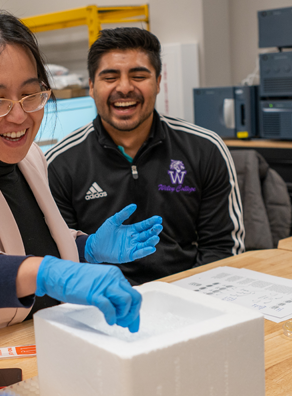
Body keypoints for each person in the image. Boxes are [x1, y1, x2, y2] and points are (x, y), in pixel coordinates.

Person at [0, 9, 163, 351]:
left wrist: (87, 249)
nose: (20, 115)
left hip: (44, 348)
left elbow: (25, 241)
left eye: (30, 93)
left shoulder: (30, 157)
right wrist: (46, 274)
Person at [46, 28, 244, 284]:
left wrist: (191, 300)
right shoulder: (60, 164)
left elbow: (222, 249)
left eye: (139, 76)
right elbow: (60, 260)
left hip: (190, 298)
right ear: (92, 87)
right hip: (102, 303)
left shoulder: (204, 148)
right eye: (110, 77)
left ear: (159, 82)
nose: (125, 88)